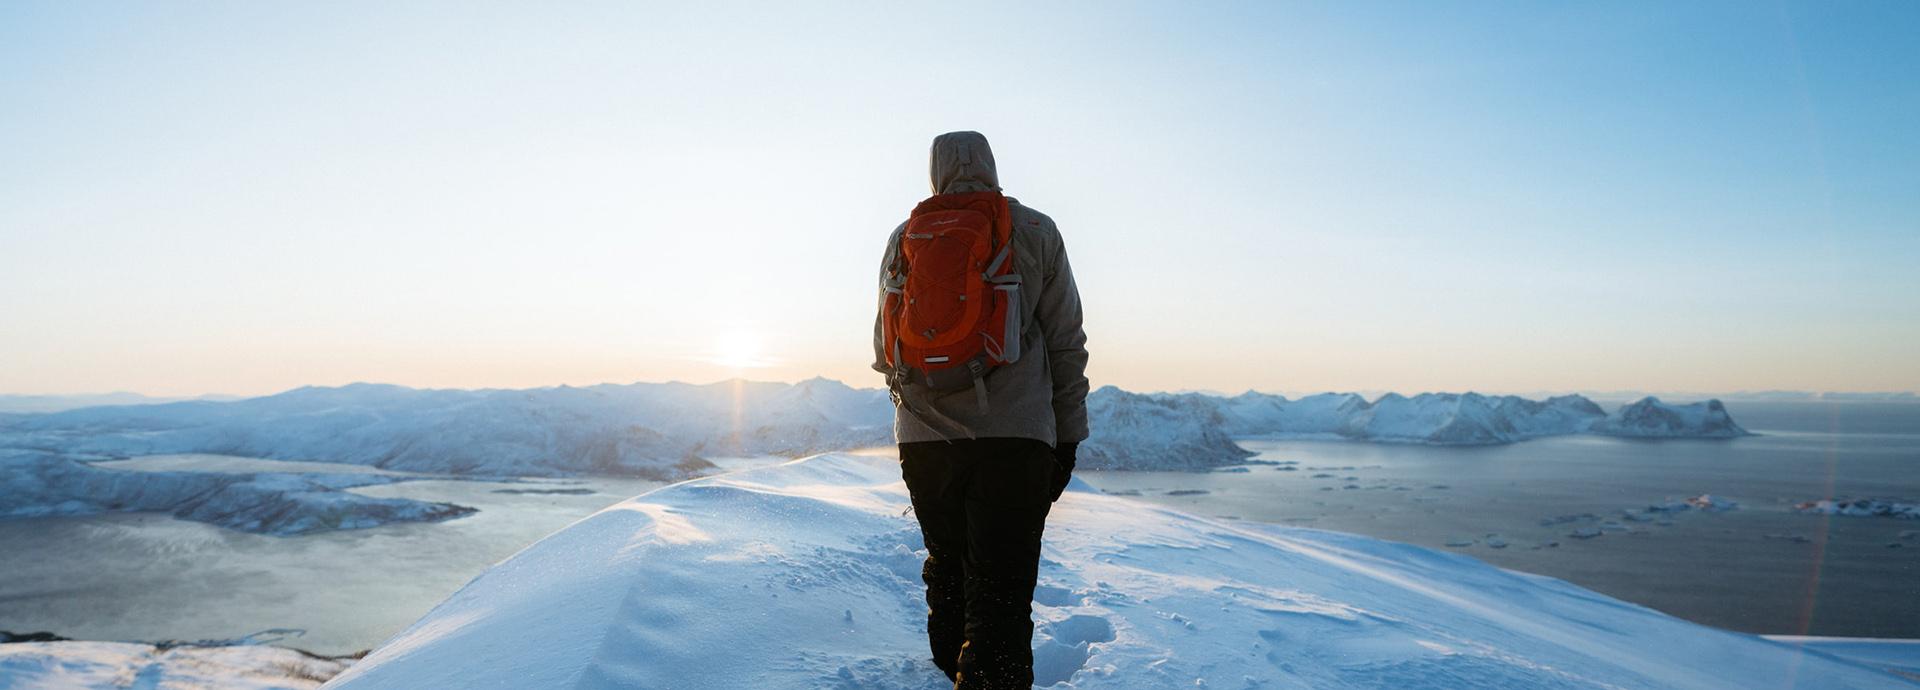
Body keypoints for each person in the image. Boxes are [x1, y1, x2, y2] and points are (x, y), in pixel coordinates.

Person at [873, 131, 1091, 689]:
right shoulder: (1036, 230)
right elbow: (1066, 341)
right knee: (1001, 592)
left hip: (924, 444)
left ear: (934, 172)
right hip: (1015, 440)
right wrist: (1067, 439)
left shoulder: (905, 237)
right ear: (992, 165)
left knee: (948, 571)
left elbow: (883, 347)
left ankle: (950, 676)